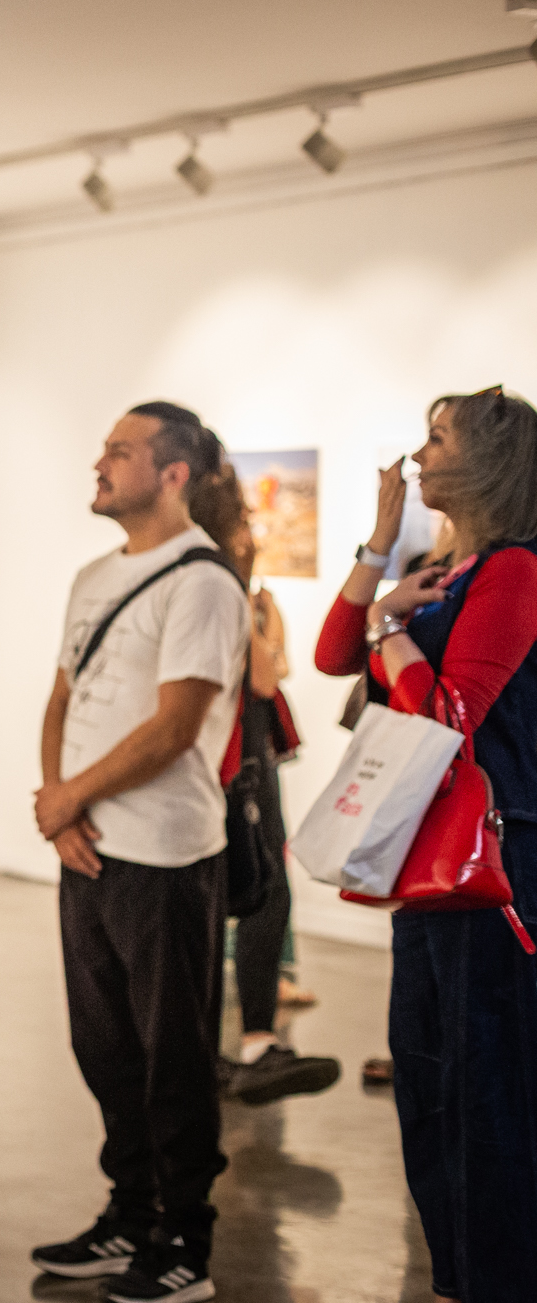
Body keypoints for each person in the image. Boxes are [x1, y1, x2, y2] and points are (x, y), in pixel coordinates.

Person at [311, 387, 537, 1303]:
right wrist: (377, 548)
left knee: (487, 1092)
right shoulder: (445, 564)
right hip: (430, 866)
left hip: (498, 861)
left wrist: (391, 628)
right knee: (430, 1083)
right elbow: (334, 654)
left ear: (488, 459)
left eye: (436, 438)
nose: (417, 453)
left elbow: (448, 714)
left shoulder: (516, 572)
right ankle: (456, 1275)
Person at [29, 403, 247, 1303]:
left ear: (173, 473)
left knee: (174, 1053)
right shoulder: (92, 576)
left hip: (165, 855)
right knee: (105, 1045)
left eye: (120, 451)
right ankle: (130, 1212)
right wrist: (59, 806)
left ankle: (185, 1236)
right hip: (87, 852)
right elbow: (62, 701)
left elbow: (175, 726)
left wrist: (73, 796)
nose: (100, 462)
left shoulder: (203, 583)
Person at [186, 465, 340, 1106]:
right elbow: (267, 677)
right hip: (236, 773)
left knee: (240, 899)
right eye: (246, 522)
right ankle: (248, 1046)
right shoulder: (220, 589)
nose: (254, 533)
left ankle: (231, 1049)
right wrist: (262, 627)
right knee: (258, 896)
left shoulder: (206, 587)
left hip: (235, 767)